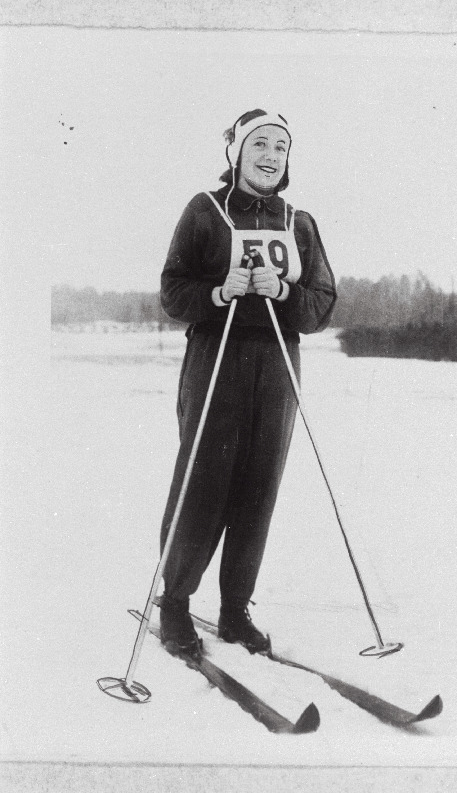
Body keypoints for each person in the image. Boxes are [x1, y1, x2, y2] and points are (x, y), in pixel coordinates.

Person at [158, 109, 336, 659]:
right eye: (259, 143)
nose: (270, 156)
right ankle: (175, 604)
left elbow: (322, 305)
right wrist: (218, 291)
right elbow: (172, 291)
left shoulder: (297, 222)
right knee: (204, 480)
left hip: (277, 363)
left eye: (280, 147)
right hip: (217, 358)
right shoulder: (205, 211)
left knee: (260, 485)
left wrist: (284, 292)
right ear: (236, 151)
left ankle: (235, 609)